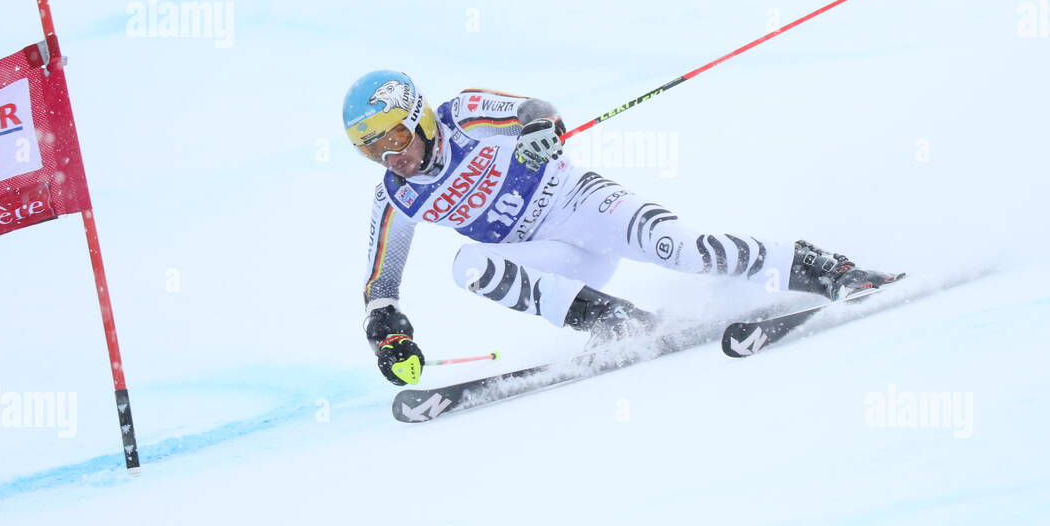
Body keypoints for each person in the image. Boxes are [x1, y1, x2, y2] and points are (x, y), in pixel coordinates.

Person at [344, 70, 900, 385]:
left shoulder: (463, 113)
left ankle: (830, 270)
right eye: (369, 148)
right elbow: (381, 285)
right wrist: (389, 333)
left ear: (418, 116)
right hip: (554, 256)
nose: (388, 155)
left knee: (681, 250)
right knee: (466, 266)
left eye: (392, 136)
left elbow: (533, 109)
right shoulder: (396, 195)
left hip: (582, 206)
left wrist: (539, 129)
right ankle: (618, 323)